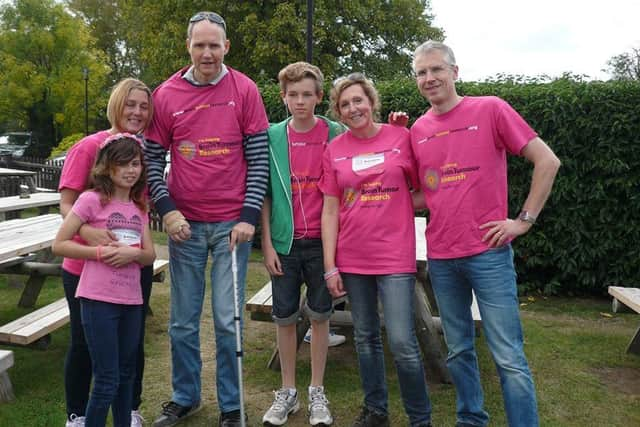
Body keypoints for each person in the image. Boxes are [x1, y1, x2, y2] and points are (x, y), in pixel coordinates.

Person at [409, 41, 561, 427]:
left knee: (508, 356)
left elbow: (547, 160)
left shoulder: (490, 108)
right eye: (422, 73)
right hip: (442, 258)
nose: (430, 79)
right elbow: (427, 193)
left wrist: (523, 220)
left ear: (455, 72)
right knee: (459, 350)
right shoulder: (419, 129)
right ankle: (471, 419)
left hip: (488, 254)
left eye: (437, 69)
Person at [143, 11, 269, 427]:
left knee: (227, 321)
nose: (207, 53)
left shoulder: (244, 89)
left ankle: (231, 407)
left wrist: (249, 216)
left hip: (234, 227)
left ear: (226, 47)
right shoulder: (166, 95)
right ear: (189, 47)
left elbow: (258, 159)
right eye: (200, 45)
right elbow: (150, 157)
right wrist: (168, 210)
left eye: (215, 45)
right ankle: (186, 396)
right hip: (186, 229)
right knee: (182, 321)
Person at [319, 73, 433, 427]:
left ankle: (419, 418)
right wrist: (329, 267)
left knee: (401, 341)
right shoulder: (333, 150)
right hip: (352, 259)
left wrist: (399, 205)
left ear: (371, 102)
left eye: (358, 100)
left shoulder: (401, 138)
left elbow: (426, 190)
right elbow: (330, 210)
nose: (353, 108)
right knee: (366, 338)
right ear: (338, 112)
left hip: (394, 257)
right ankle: (376, 410)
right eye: (345, 104)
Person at [58, 78, 154, 427]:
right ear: (116, 104)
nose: (137, 112)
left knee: (131, 341)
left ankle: (128, 410)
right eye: (130, 104)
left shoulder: (143, 152)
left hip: (130, 267)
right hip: (84, 267)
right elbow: (67, 203)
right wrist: (89, 234)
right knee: (85, 342)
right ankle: (78, 413)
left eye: (144, 106)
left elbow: (141, 206)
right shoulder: (90, 146)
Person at [261, 61, 346, 426]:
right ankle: (288, 391)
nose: (300, 101)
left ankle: (316, 391)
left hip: (323, 244)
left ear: (319, 97)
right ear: (283, 97)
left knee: (321, 316)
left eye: (307, 94)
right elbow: (263, 195)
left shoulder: (337, 132)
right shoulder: (271, 136)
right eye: (292, 95)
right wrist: (266, 244)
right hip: (284, 242)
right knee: (283, 316)